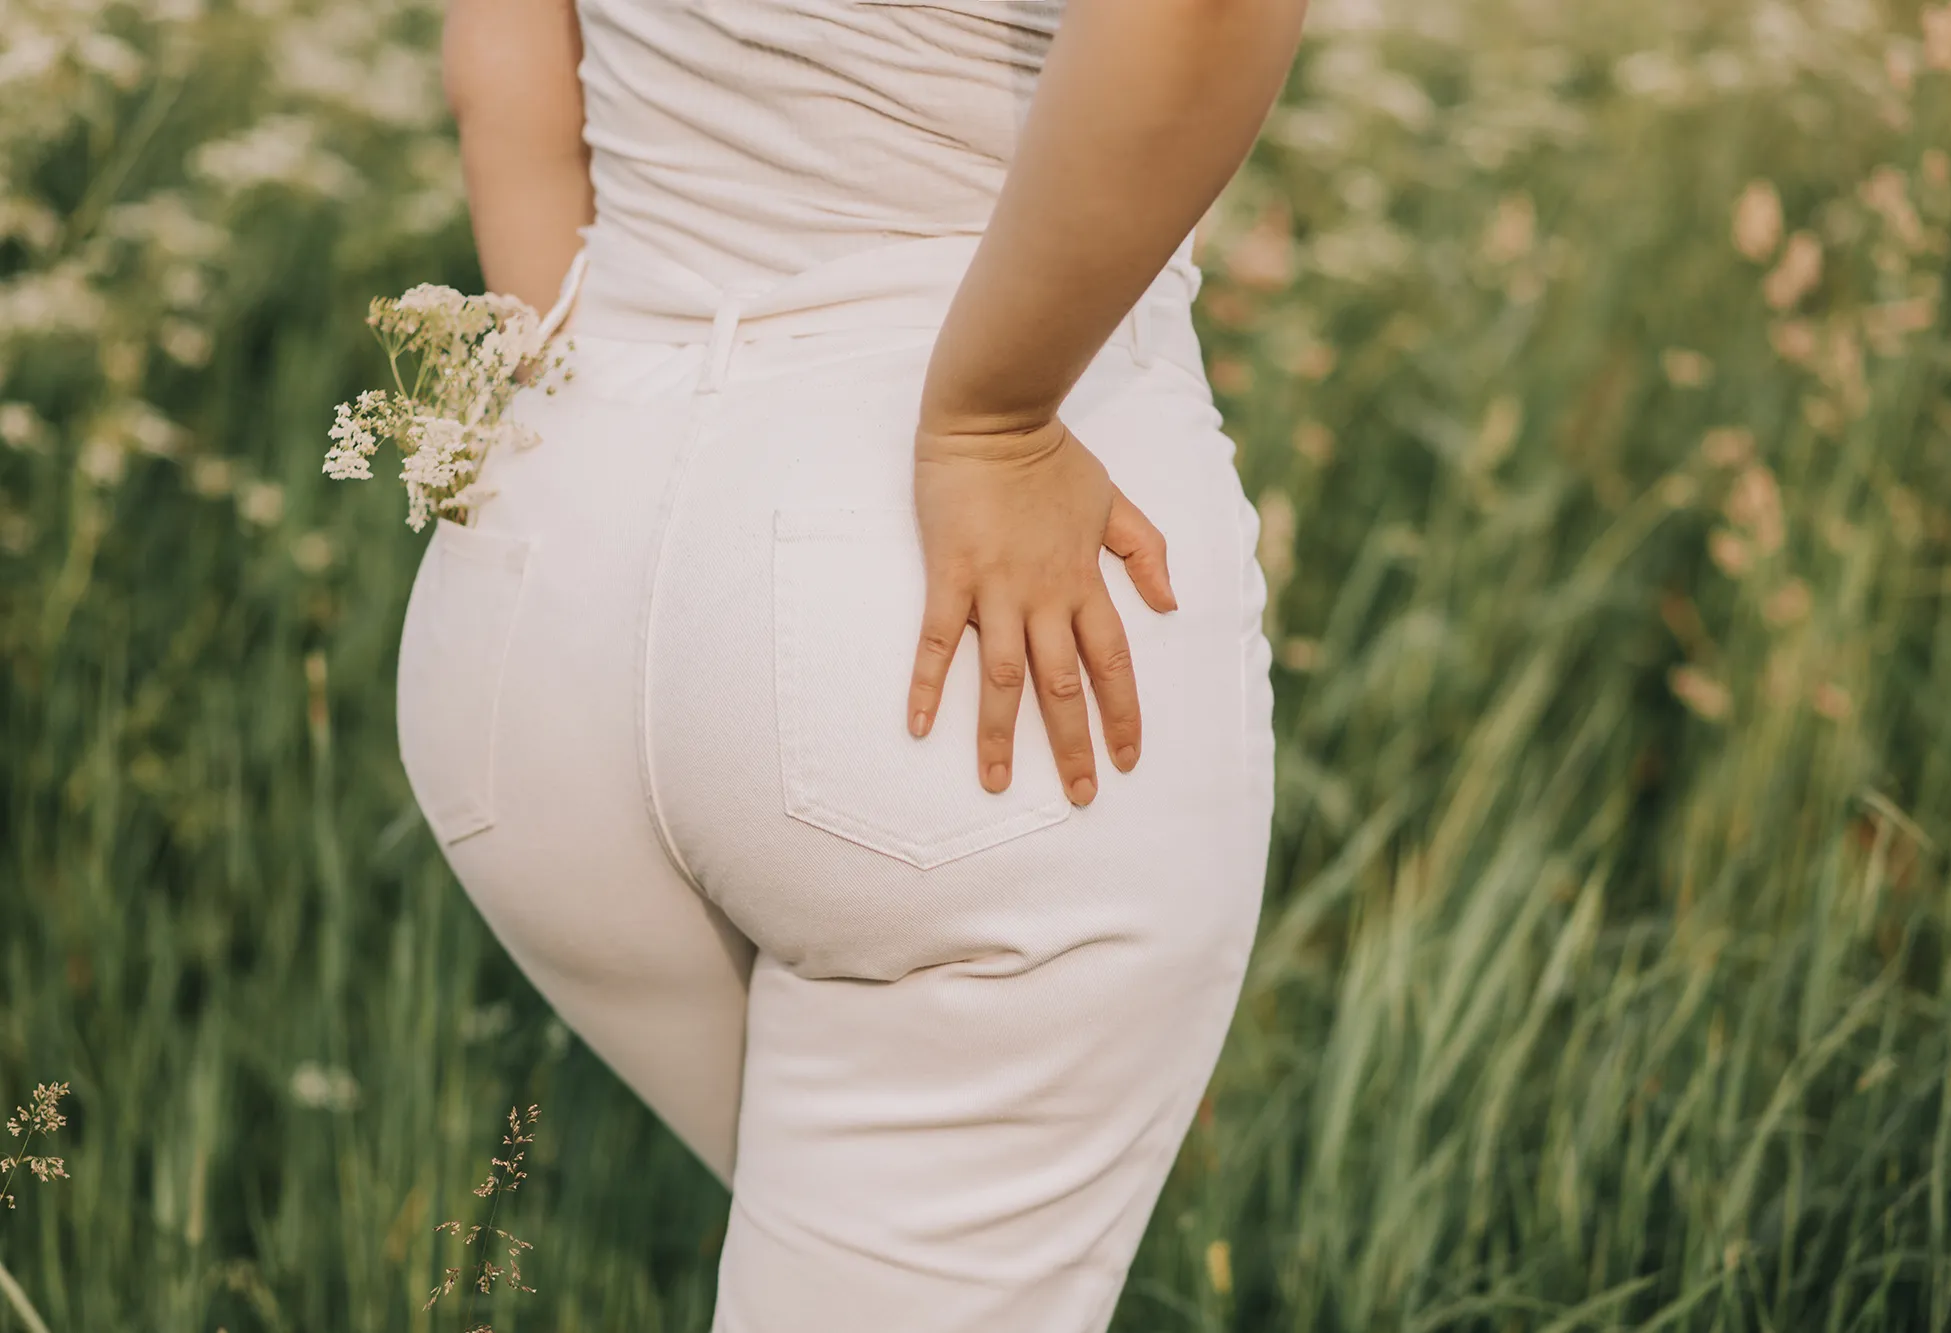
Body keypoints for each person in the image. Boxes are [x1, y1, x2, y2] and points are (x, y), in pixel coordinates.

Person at [397, 0, 1303, 1326]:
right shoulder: (984, 433)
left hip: (549, 557)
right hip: (936, 556)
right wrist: (995, 424)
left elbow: (503, 64)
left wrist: (585, 408)